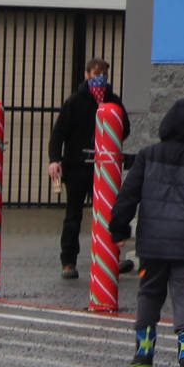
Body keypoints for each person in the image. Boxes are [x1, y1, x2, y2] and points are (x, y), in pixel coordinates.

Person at [109, 97, 184, 367]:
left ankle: (143, 352)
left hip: (152, 240)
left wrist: (119, 229)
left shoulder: (147, 155)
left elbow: (128, 195)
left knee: (149, 292)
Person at [46, 59, 134, 280]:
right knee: (73, 216)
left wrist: (110, 142)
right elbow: (59, 133)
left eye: (103, 73)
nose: (100, 78)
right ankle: (68, 261)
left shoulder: (113, 100)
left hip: (103, 168)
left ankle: (110, 258)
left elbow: (125, 127)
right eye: (96, 73)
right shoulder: (75, 102)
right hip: (77, 166)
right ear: (86, 75)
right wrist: (55, 160)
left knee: (107, 214)